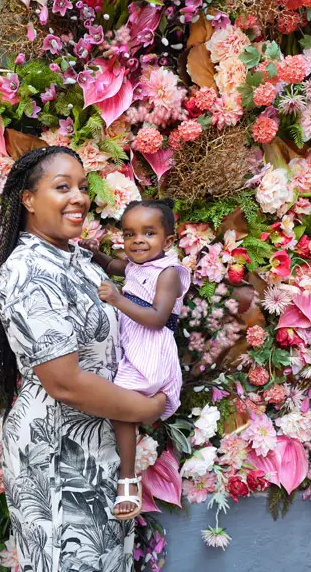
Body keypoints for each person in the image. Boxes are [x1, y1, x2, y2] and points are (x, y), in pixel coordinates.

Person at [0, 145, 167, 572]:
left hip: (97, 445)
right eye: (62, 187)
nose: (79, 198)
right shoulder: (31, 270)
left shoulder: (78, 260)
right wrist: (146, 407)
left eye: (83, 187)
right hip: (56, 458)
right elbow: (64, 382)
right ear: (29, 200)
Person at [81, 199, 190, 519]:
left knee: (123, 410)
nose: (138, 240)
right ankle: (127, 476)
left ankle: (127, 479)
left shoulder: (167, 272)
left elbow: (157, 318)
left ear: (167, 241)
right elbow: (115, 266)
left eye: (149, 233)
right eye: (129, 235)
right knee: (122, 411)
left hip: (151, 350)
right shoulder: (134, 264)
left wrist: (116, 300)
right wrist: (94, 253)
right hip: (131, 347)